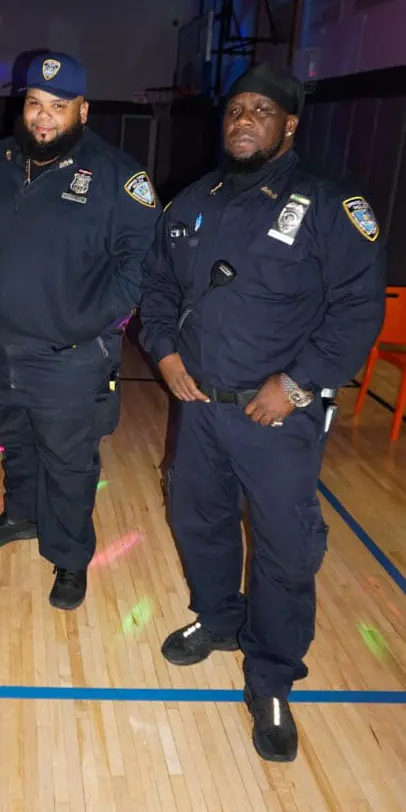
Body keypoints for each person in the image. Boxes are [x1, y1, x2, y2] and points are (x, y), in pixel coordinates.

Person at [139, 63, 385, 762]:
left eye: (262, 110)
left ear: (290, 125)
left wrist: (299, 385)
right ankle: (217, 619)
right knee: (198, 519)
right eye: (236, 109)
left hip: (278, 416)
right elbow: (156, 288)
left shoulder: (329, 205)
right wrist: (163, 355)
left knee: (284, 547)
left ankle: (272, 675)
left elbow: (357, 310)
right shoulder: (192, 201)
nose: (244, 119)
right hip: (200, 405)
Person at [0, 52, 160, 610]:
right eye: (34, 104)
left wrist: (91, 322)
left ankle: (68, 557)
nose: (42, 117)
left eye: (57, 107)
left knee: (68, 460)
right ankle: (22, 516)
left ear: (82, 110)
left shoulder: (117, 175)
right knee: (14, 440)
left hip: (67, 356)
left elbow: (141, 265)